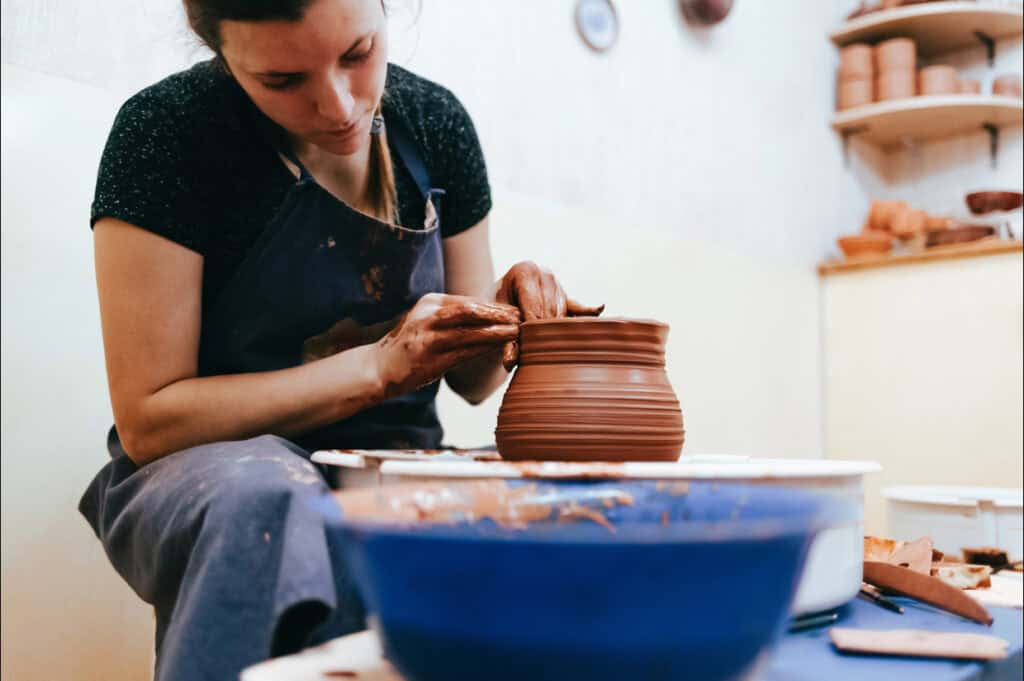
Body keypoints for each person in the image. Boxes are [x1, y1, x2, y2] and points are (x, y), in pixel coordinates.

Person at [78, 1, 599, 678]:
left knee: (572, 501)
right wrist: (378, 367)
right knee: (273, 498)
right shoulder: (167, 133)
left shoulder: (434, 122)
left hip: (394, 456)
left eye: (357, 54)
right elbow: (151, 419)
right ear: (219, 52)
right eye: (284, 81)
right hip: (217, 461)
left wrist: (504, 314)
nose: (339, 105)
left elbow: (474, 383)